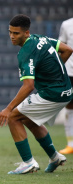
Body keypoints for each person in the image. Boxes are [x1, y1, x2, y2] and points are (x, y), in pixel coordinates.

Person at [0, 14, 73, 174]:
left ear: (26, 33)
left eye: (16, 33)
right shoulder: (42, 39)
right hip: (66, 91)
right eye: (10, 32)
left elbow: (28, 86)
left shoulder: (26, 52)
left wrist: (8, 108)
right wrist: (53, 72)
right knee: (29, 119)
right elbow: (67, 49)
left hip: (52, 94)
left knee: (13, 117)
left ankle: (28, 163)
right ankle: (55, 157)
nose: (11, 36)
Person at [58, 18, 73, 154]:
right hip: (70, 71)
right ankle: (71, 144)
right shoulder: (67, 24)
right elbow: (61, 46)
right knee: (69, 105)